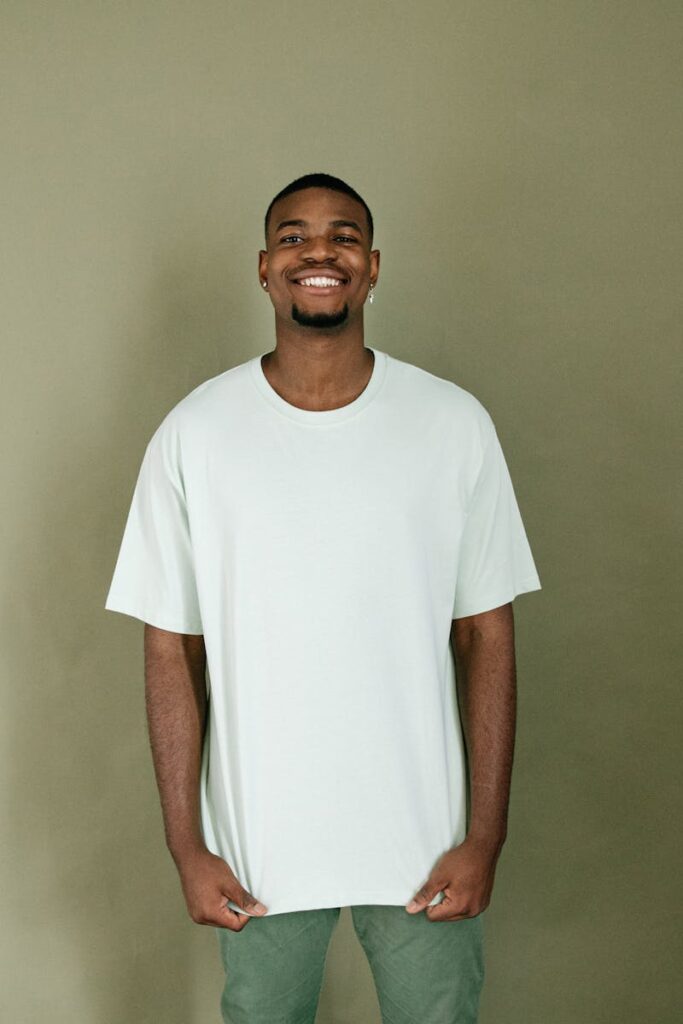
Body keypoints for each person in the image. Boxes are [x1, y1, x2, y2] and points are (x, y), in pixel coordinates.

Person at [105, 171, 542, 1024]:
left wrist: (484, 836)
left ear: (371, 267)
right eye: (295, 236)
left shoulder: (452, 424)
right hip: (258, 853)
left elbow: (486, 636)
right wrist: (186, 846)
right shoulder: (196, 433)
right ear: (264, 268)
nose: (319, 252)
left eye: (342, 236)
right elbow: (170, 649)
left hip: (425, 849)